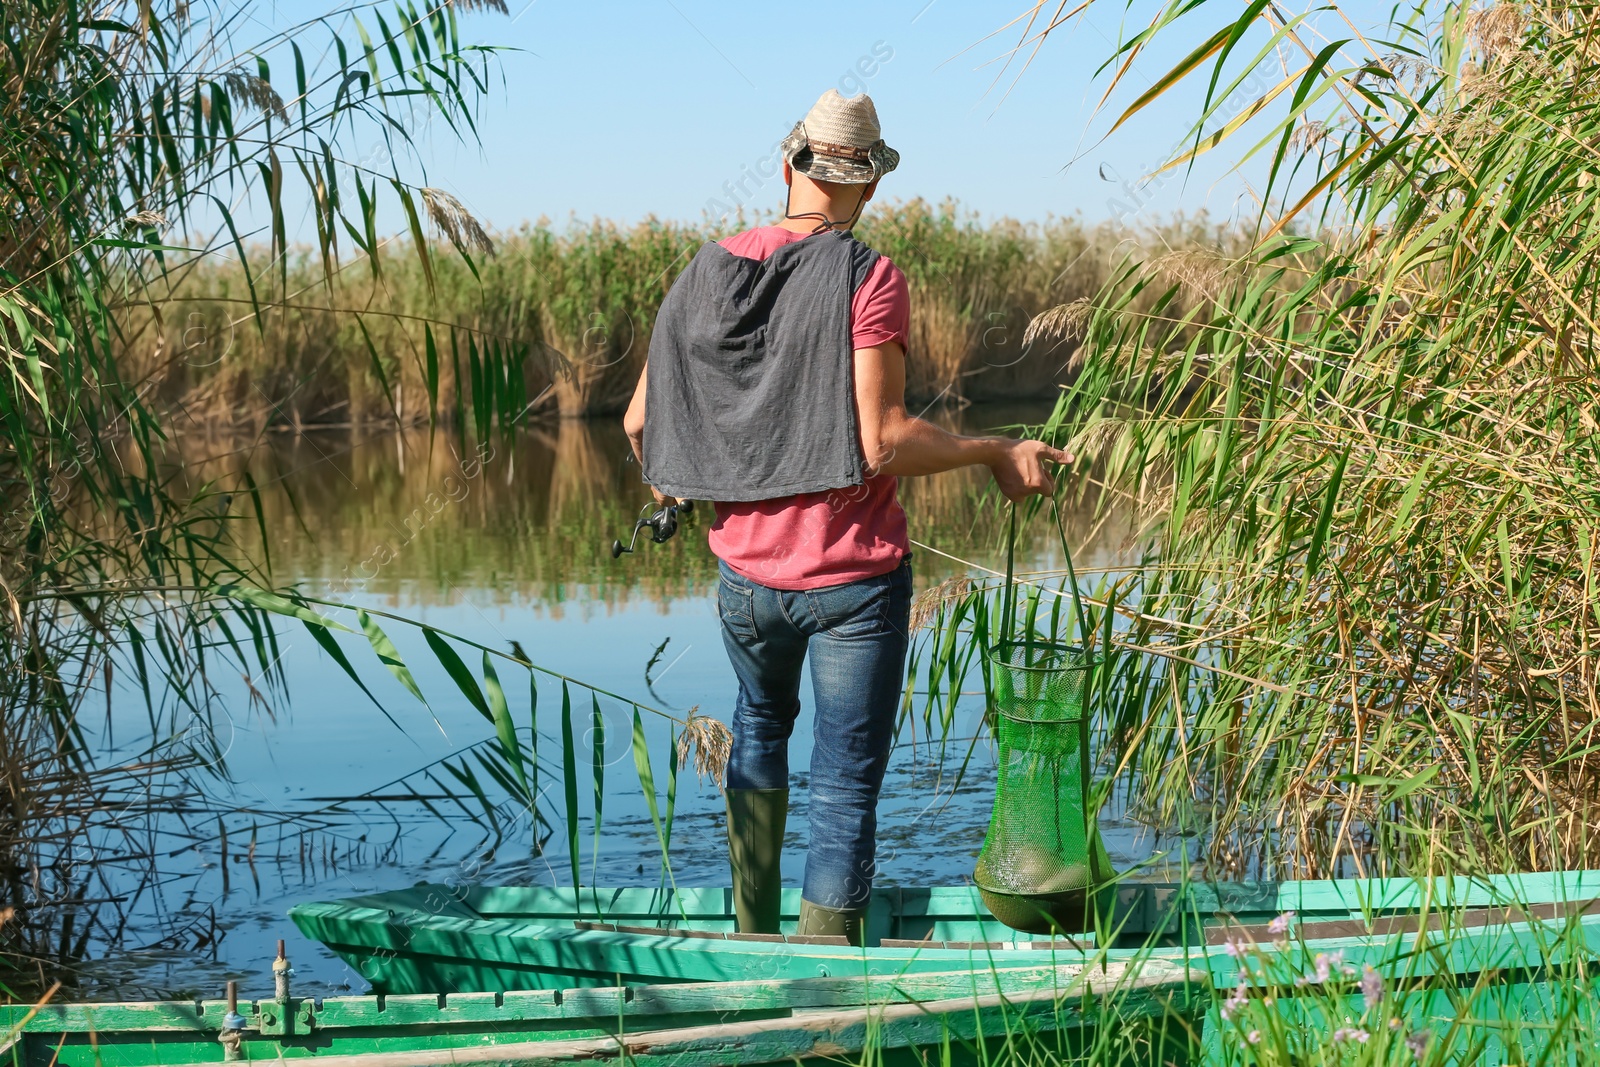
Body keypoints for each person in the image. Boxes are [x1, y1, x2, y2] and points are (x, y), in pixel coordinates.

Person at [623, 89, 1070, 944]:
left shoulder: (704, 270)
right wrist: (992, 451)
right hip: (852, 586)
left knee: (759, 731)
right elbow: (883, 443)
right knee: (844, 779)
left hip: (744, 582)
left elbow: (644, 426)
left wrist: (692, 486)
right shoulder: (869, 275)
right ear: (867, 184)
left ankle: (753, 942)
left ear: (789, 166)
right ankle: (824, 971)